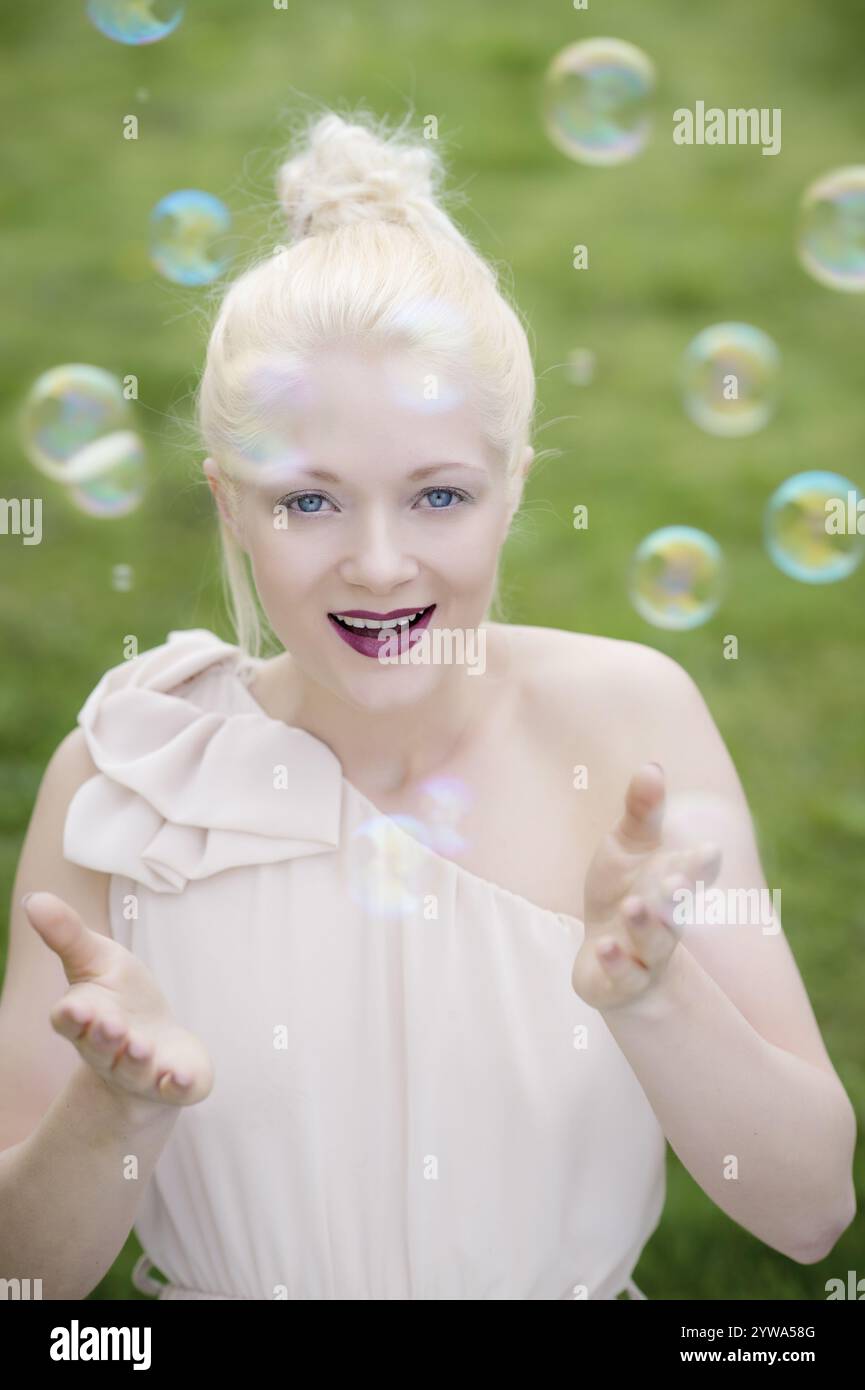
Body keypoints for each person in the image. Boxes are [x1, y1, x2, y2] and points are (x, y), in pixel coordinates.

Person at [0, 108, 856, 1302]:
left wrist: (659, 999)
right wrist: (115, 1107)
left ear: (514, 488)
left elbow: (813, 1209)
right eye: (308, 503)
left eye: (439, 496)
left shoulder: (624, 730)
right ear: (228, 504)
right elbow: (23, 1285)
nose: (380, 563)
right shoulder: (124, 781)